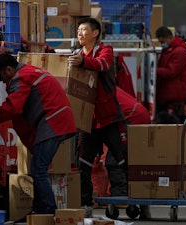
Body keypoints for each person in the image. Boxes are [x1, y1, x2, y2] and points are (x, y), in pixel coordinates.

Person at [0, 53, 76, 218]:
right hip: (56, 120)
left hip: (52, 121)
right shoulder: (30, 72)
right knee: (38, 168)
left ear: (9, 69)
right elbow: (21, 117)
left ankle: (47, 211)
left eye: (1, 75)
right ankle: (39, 210)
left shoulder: (20, 78)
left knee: (38, 169)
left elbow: (13, 108)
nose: (2, 80)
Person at [67, 17, 127, 218]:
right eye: (78, 30)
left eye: (84, 30)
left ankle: (120, 198)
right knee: (83, 162)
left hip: (108, 117)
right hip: (87, 121)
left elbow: (103, 64)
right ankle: (85, 202)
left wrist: (83, 61)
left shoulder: (105, 51)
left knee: (117, 158)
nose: (80, 33)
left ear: (95, 33)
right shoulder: (75, 56)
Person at [105, 87, 152, 220]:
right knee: (134, 160)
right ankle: (143, 204)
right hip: (139, 115)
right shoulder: (108, 86)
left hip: (131, 118)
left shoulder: (97, 93)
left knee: (115, 159)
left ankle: (120, 198)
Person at [154, 26, 186, 124]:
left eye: (163, 42)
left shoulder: (179, 52)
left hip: (173, 96)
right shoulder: (168, 51)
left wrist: (154, 70)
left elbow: (171, 72)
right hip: (168, 95)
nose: (162, 44)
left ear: (170, 38)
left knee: (173, 124)